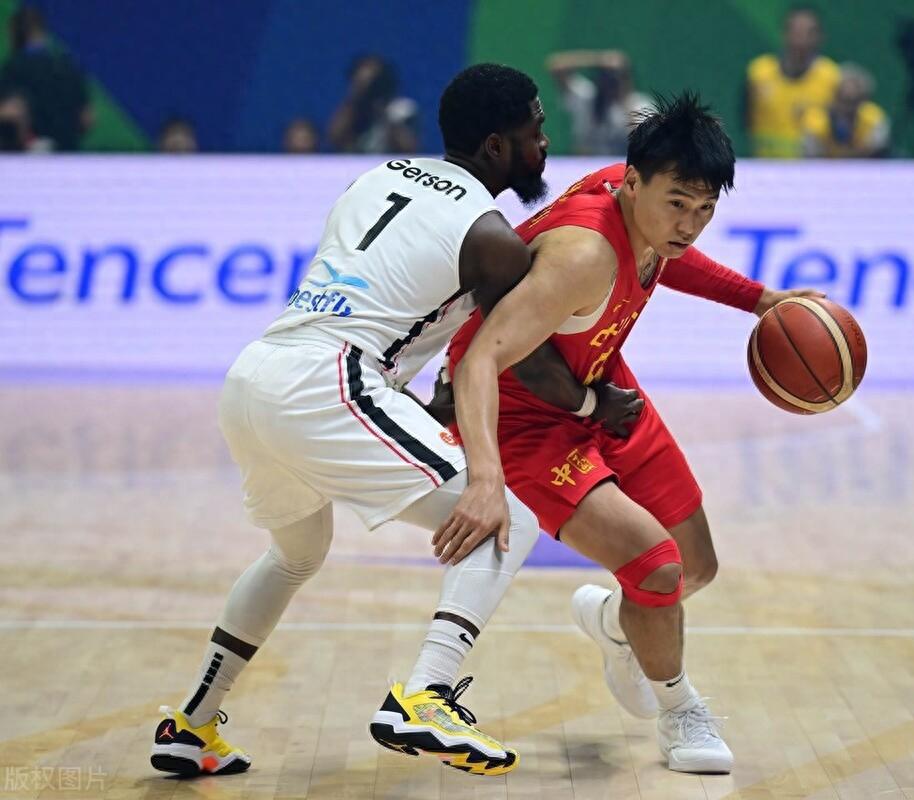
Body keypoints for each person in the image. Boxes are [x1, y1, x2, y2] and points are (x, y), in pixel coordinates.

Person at [150, 63, 637, 780]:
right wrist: (595, 405)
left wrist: (414, 398)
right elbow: (525, 359)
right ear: (497, 146)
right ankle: (424, 696)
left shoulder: (376, 177)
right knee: (504, 518)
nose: (544, 143)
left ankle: (192, 723)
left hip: (257, 375)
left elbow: (390, 305)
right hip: (330, 384)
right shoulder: (492, 238)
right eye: (534, 131)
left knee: (294, 555)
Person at [445, 93, 824, 774]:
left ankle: (616, 626)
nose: (689, 225)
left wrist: (761, 300)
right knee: (656, 566)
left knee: (696, 565)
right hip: (524, 414)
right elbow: (478, 359)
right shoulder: (583, 254)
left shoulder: (641, 211)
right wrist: (484, 476)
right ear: (633, 183)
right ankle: (681, 712)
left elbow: (671, 255)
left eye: (703, 210)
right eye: (677, 204)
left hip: (599, 383)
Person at [745, 5, 840, 158]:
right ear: (784, 33)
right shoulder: (759, 73)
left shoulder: (832, 77)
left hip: (815, 167)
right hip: (765, 165)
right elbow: (746, 119)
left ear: (820, 37)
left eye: (809, 33)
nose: (801, 39)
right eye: (795, 31)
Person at [0, 5, 90, 151]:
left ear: (13, 32)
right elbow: (86, 119)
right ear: (42, 31)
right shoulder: (67, 65)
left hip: (28, 154)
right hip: (68, 153)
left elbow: (10, 113)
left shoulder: (13, 68)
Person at [545, 49, 654, 155]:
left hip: (623, 163)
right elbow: (557, 66)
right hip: (587, 163)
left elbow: (644, 143)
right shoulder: (587, 98)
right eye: (606, 75)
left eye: (616, 76)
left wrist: (624, 99)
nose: (610, 82)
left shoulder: (640, 104)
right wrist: (600, 60)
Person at [327, 54, 419, 154]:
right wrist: (356, 100)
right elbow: (334, 138)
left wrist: (384, 113)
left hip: (390, 161)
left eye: (374, 82)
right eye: (361, 82)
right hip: (357, 161)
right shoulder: (353, 108)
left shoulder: (403, 108)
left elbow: (408, 148)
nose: (369, 88)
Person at [802, 62, 889, 158]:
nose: (846, 108)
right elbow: (812, 156)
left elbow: (877, 151)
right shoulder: (817, 120)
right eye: (842, 99)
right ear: (833, 96)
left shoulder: (873, 119)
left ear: (864, 101)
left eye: (854, 101)